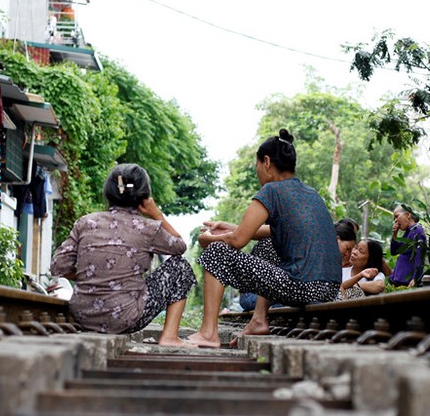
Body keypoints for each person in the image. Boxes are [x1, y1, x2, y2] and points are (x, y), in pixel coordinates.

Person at [188, 129, 342, 348]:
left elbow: (237, 241)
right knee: (268, 244)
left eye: (257, 166)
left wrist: (208, 240)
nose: (257, 172)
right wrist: (230, 228)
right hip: (328, 289)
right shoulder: (310, 193)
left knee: (216, 253)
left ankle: (208, 333)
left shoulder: (272, 190)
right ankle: (259, 319)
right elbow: (276, 230)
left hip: (302, 286)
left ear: (267, 162)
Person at [49, 163, 197, 346]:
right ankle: (170, 337)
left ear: (109, 192)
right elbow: (179, 247)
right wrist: (155, 213)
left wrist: (93, 276)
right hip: (125, 318)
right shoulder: (148, 228)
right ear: (144, 196)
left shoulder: (86, 222)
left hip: (83, 315)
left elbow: (58, 265)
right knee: (180, 266)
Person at [389, 204, 427, 287]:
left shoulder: (417, 231)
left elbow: (419, 257)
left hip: (407, 282)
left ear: (408, 215)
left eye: (397, 216)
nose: (395, 221)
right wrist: (394, 235)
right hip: (398, 280)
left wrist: (415, 278)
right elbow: (394, 252)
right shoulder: (408, 232)